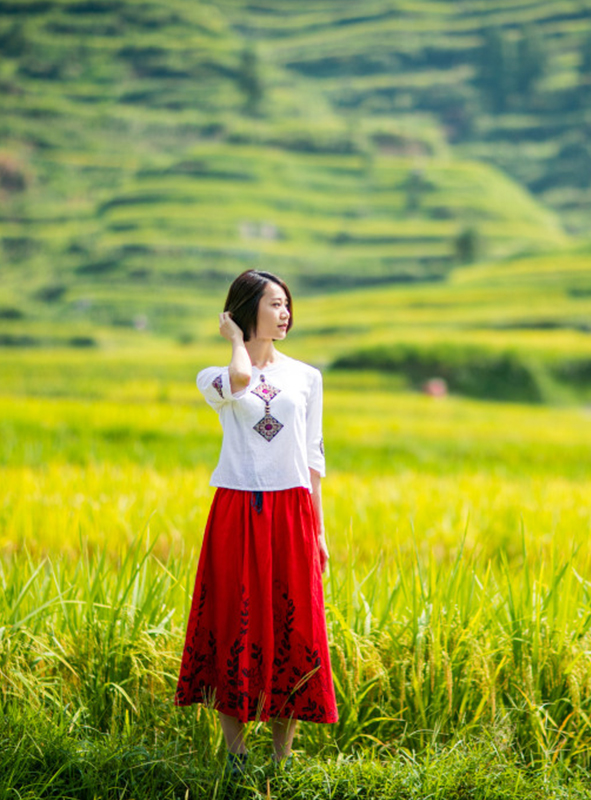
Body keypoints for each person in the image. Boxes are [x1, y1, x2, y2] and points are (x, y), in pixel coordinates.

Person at [174, 269, 338, 775]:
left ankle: (283, 757)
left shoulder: (307, 376)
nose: (285, 312)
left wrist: (319, 529)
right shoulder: (215, 376)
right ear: (247, 309)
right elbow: (242, 380)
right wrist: (233, 339)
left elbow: (312, 458)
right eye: (274, 304)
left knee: (294, 622)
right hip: (237, 508)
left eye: (288, 304)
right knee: (232, 619)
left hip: (291, 510)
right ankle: (236, 756)